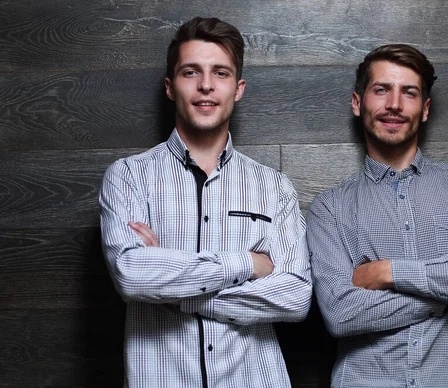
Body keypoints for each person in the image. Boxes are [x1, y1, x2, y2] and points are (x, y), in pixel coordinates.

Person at [99, 17, 312, 388]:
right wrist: (248, 263)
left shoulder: (274, 186)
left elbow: (294, 296)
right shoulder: (128, 176)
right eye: (190, 72)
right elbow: (133, 274)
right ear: (170, 87)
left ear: (238, 88)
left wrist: (174, 291)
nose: (206, 86)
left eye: (221, 73)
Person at [306, 44, 448, 388]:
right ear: (358, 102)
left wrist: (388, 272)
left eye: (409, 92)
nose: (394, 104)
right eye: (381, 90)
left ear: (424, 109)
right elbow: (341, 315)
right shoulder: (329, 209)